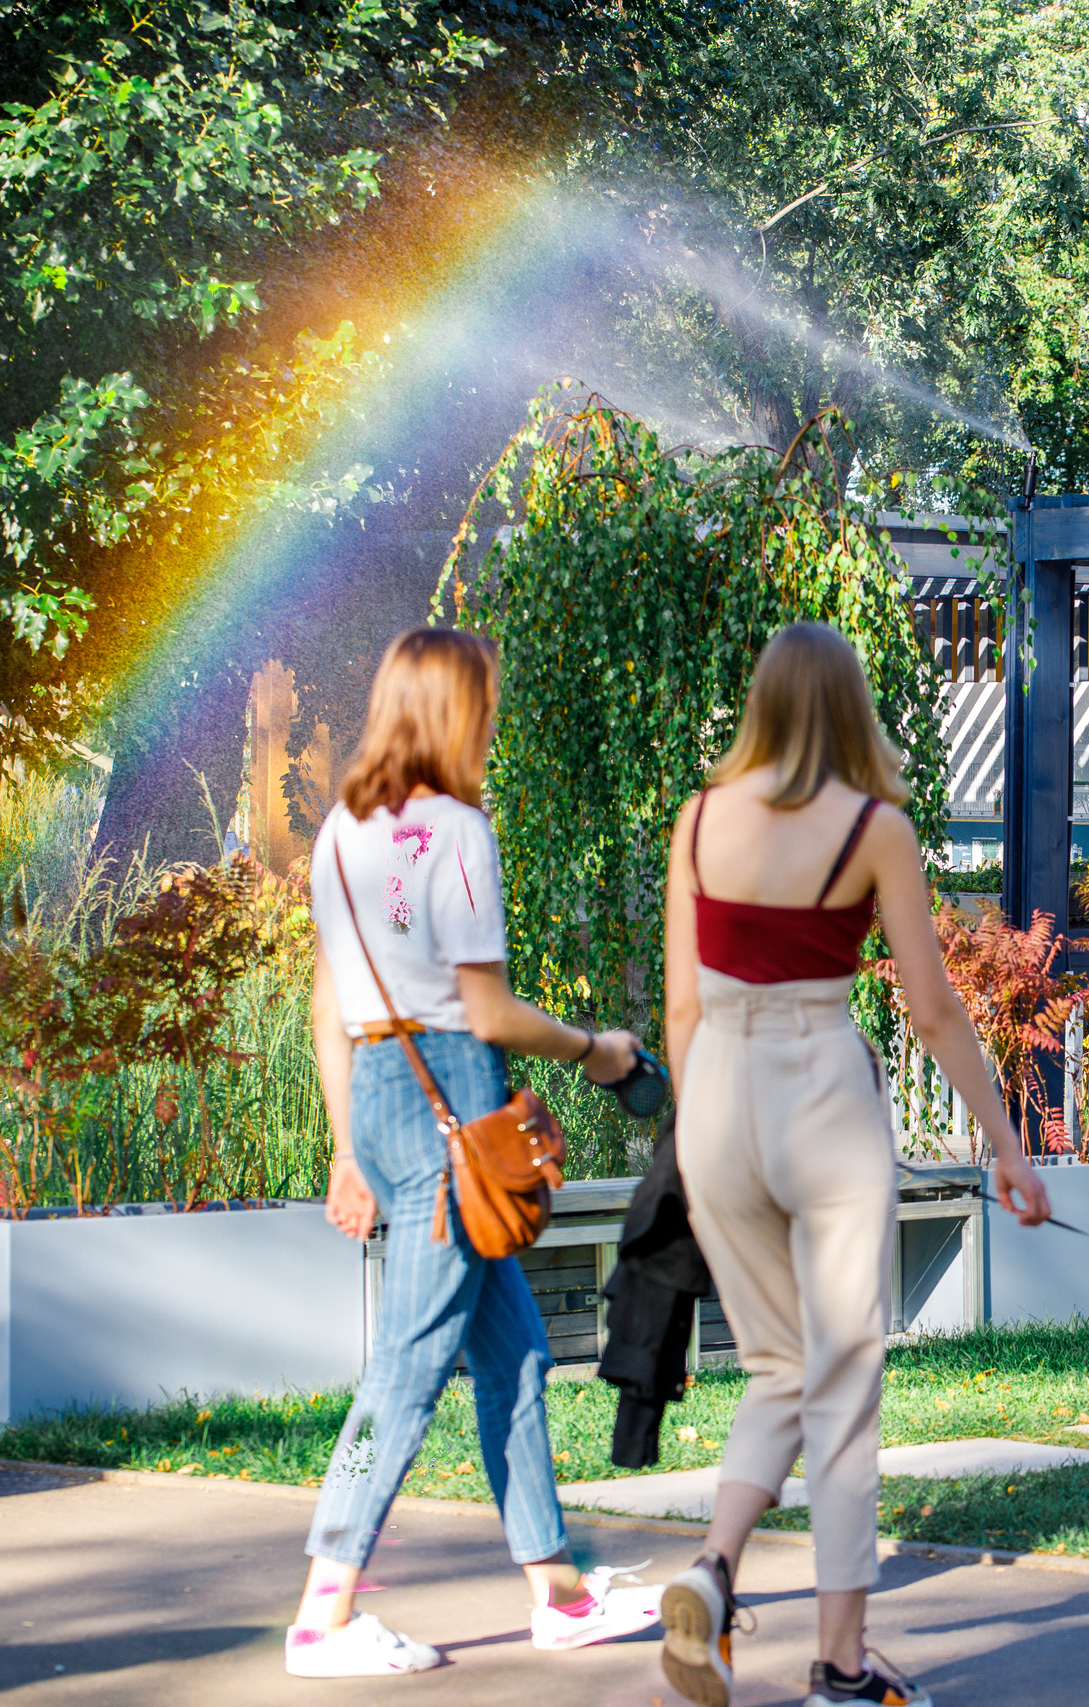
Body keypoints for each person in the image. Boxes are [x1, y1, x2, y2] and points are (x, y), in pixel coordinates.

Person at [657, 622, 1052, 1707]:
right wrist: (1006, 1145)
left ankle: (712, 1568)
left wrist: (692, 1144)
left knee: (779, 1366)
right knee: (841, 1380)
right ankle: (837, 1663)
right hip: (821, 1090)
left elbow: (680, 1008)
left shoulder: (696, 823)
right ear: (850, 707)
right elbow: (930, 1009)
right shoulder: (876, 829)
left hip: (718, 1100)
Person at [289, 627, 654, 1677]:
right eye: (485, 702)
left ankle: (559, 1592)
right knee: (408, 1361)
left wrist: (342, 1151)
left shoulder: (340, 834)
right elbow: (486, 1010)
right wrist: (595, 1049)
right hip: (455, 1090)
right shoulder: (455, 829)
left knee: (516, 1353)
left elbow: (328, 1000)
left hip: (380, 1093)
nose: (493, 720)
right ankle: (323, 1609)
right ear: (458, 711)